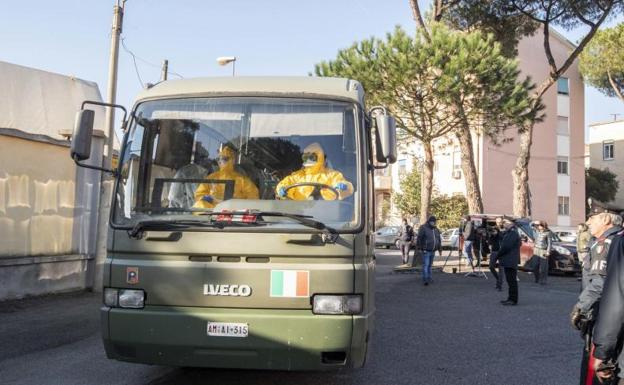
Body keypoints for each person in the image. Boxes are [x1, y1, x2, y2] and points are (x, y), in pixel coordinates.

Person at [569, 199, 624, 384]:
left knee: (597, 372)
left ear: (606, 219)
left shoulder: (607, 243)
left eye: (593, 217)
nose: (588, 222)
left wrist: (581, 308)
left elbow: (600, 284)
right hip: (608, 321)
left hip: (604, 319)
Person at [275, 142, 353, 201]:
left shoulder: (331, 175)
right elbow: (285, 184)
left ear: (319, 157)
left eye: (311, 157)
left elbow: (345, 187)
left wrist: (343, 186)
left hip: (328, 217)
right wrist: (281, 189)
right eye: (305, 157)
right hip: (300, 215)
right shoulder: (297, 176)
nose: (308, 160)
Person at [193, 145, 259, 209]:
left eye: (224, 159)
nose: (220, 161)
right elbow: (199, 194)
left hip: (233, 213)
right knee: (199, 205)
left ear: (232, 160)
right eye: (218, 159)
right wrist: (205, 198)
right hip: (213, 212)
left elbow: (253, 197)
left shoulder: (242, 180)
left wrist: (237, 203)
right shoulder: (211, 177)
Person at [497, 219, 521, 305]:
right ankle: (510, 298)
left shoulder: (513, 233)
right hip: (509, 260)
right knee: (510, 280)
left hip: (510, 260)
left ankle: (513, 299)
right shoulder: (510, 232)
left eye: (505, 223)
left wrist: (497, 255)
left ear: (510, 224)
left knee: (511, 281)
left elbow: (506, 246)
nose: (504, 224)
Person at [416, 215, 442, 286]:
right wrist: (420, 248)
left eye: (434, 222)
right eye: (432, 222)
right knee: (426, 265)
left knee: (430, 265)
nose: (433, 223)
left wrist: (440, 249)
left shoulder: (436, 229)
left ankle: (429, 278)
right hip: (426, 250)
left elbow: (438, 240)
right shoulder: (423, 228)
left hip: (433, 250)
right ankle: (425, 279)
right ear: (429, 221)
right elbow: (419, 238)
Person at [533, 221, 552, 285]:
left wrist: (548, 252)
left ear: (543, 226)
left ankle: (543, 280)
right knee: (535, 265)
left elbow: (549, 243)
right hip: (536, 249)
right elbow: (531, 225)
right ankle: (537, 278)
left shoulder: (548, 233)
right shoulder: (537, 231)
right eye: (538, 225)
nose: (539, 226)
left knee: (543, 267)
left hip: (543, 250)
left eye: (540, 225)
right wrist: (536, 222)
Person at [488, 217, 505, 291]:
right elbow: (490, 240)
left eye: (500, 222)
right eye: (497, 222)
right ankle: (498, 279)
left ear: (502, 222)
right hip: (494, 250)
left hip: (502, 251)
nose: (499, 223)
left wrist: (498, 233)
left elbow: (504, 238)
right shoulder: (494, 228)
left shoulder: (505, 229)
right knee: (491, 267)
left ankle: (499, 285)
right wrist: (492, 235)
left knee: (501, 269)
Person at [576, 223, 592, 287]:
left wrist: (586, 246)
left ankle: (585, 277)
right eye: (578, 227)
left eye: (579, 227)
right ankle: (583, 276)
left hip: (585, 251)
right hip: (579, 251)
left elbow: (590, 241)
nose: (578, 228)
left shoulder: (586, 233)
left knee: (585, 265)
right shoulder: (579, 233)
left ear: (583, 227)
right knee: (581, 264)